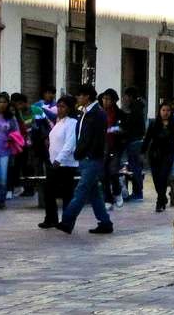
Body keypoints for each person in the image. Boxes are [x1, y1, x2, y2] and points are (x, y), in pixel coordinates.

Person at [56, 84, 113, 235]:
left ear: (87, 96)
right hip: (84, 157)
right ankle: (105, 222)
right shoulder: (84, 112)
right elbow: (80, 135)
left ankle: (67, 220)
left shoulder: (98, 114)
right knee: (94, 192)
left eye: (80, 95)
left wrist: (87, 152)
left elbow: (97, 139)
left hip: (92, 158)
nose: (78, 98)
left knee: (81, 190)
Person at [39, 95, 79, 228]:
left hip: (65, 163)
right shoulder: (59, 121)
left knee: (66, 193)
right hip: (54, 162)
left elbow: (70, 144)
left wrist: (59, 159)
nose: (60, 109)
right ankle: (51, 218)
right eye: (59, 106)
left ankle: (67, 220)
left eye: (63, 106)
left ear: (69, 108)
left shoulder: (72, 123)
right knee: (48, 190)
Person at [143, 102, 174, 212]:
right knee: (156, 179)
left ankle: (159, 202)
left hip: (168, 154)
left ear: (171, 112)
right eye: (163, 110)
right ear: (159, 111)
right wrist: (142, 152)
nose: (165, 113)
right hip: (154, 154)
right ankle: (163, 197)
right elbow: (147, 139)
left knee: (163, 177)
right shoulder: (153, 124)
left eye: (168, 110)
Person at [121, 86, 146, 201]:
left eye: (125, 96)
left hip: (134, 141)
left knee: (135, 168)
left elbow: (130, 126)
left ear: (130, 96)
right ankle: (137, 192)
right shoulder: (138, 108)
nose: (124, 99)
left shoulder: (135, 109)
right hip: (136, 140)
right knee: (135, 168)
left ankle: (137, 193)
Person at [100, 89, 123, 208]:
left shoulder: (119, 114)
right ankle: (108, 199)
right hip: (102, 147)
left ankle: (117, 192)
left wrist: (116, 130)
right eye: (104, 98)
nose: (105, 101)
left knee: (113, 171)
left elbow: (124, 129)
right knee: (103, 174)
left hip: (115, 146)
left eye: (108, 99)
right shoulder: (99, 112)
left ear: (114, 100)